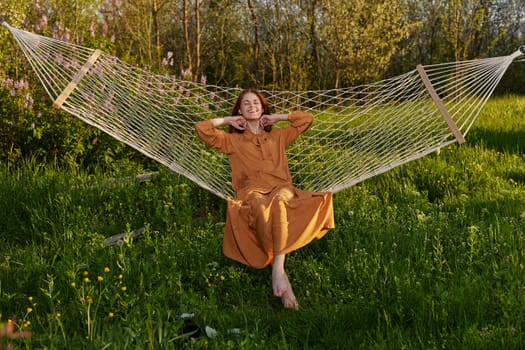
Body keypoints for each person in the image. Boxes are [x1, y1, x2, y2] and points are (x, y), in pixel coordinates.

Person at [195, 88, 334, 310]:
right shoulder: (231, 141)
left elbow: (306, 120)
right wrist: (230, 120)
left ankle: (277, 270)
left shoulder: (278, 136)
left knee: (279, 202)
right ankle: (281, 274)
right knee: (260, 206)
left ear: (263, 108)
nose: (252, 106)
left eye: (256, 103)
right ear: (240, 110)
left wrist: (277, 117)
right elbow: (202, 128)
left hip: (281, 188)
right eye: (246, 103)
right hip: (252, 192)